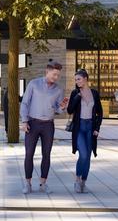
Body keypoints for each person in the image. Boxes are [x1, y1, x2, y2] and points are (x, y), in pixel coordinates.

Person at [20, 60, 69, 194]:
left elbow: (58, 110)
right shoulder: (33, 84)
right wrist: (24, 121)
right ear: (47, 72)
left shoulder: (58, 89)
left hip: (48, 125)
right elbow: (24, 103)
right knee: (29, 154)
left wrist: (62, 107)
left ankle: (43, 183)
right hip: (32, 123)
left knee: (46, 154)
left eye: (58, 75)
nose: (56, 77)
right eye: (54, 74)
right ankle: (28, 183)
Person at [67, 69, 103, 193]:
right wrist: (77, 97)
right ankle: (77, 180)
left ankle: (83, 182)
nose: (77, 82)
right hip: (79, 127)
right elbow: (70, 110)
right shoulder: (75, 93)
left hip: (91, 128)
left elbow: (100, 112)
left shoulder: (94, 93)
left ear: (85, 78)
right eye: (76, 79)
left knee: (88, 156)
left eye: (79, 79)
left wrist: (97, 128)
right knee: (83, 154)